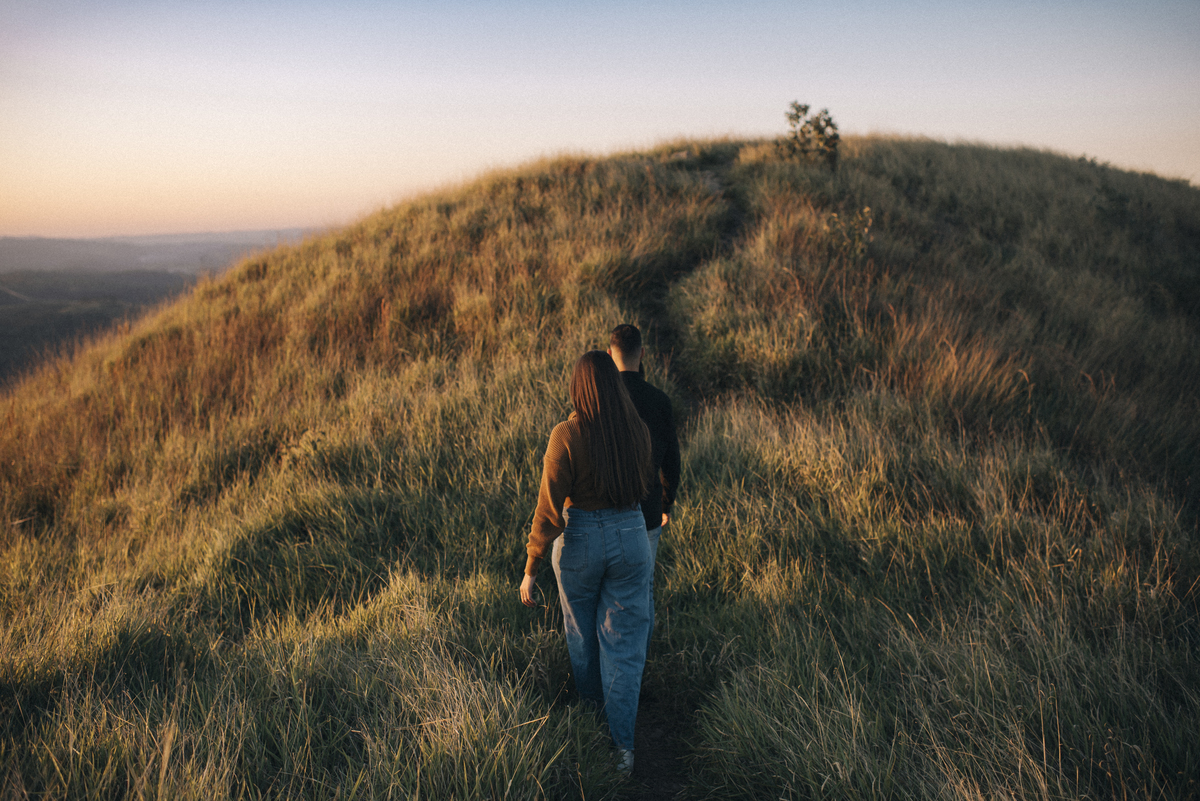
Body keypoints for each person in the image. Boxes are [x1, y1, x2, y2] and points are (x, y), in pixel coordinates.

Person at [519, 350, 654, 775]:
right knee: (625, 647)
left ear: (578, 387)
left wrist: (531, 566)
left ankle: (594, 726)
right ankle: (623, 751)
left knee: (582, 636)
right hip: (632, 535)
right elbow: (646, 486)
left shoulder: (566, 434)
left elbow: (548, 508)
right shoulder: (637, 429)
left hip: (579, 541)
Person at [607, 324, 681, 654]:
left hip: (605, 510)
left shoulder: (601, 401)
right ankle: (641, 662)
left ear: (609, 354)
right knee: (644, 588)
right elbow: (671, 460)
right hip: (648, 511)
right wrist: (666, 503)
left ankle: (611, 659)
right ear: (644, 354)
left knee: (609, 591)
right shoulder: (659, 401)